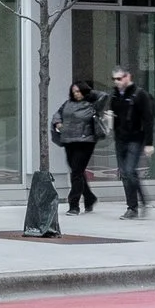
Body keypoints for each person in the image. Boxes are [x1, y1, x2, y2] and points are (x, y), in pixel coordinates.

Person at [107, 67, 155, 219]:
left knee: (129, 171)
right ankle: (142, 200)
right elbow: (114, 114)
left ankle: (132, 208)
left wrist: (149, 143)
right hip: (120, 138)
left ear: (128, 77)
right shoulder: (115, 95)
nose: (117, 82)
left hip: (136, 138)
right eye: (114, 79)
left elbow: (148, 120)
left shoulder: (140, 94)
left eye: (119, 78)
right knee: (127, 173)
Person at [52, 80, 103, 214]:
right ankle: (89, 197)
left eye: (79, 91)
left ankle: (74, 205)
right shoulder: (68, 103)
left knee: (76, 173)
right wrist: (58, 122)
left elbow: (104, 96)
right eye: (74, 91)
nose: (76, 94)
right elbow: (57, 114)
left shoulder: (92, 104)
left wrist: (89, 92)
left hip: (85, 142)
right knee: (76, 172)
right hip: (69, 141)